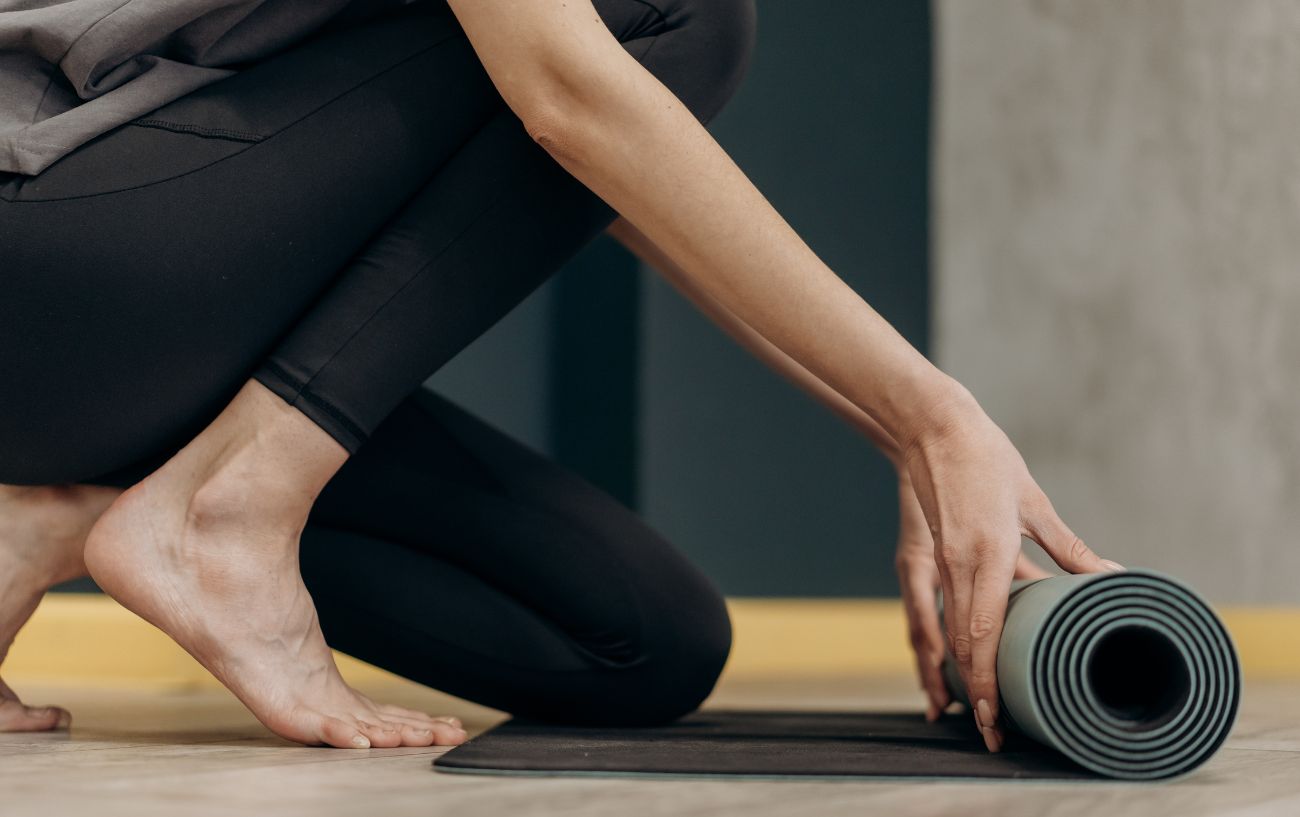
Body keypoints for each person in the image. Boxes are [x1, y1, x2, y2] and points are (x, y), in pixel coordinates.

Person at [0, 0, 1123, 752]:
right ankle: (224, 510)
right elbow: (576, 103)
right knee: (663, 8)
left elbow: (598, 159)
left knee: (640, 638)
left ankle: (54, 515)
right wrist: (934, 413)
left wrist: (908, 440)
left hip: (125, 303)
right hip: (47, 265)